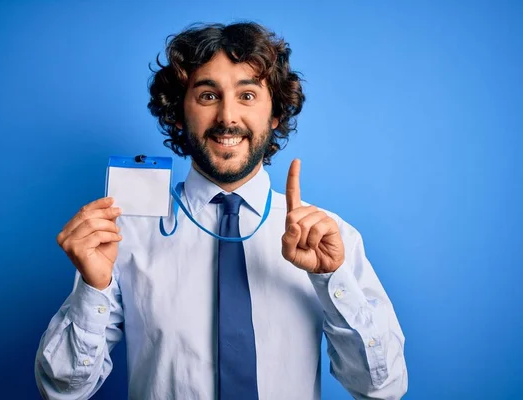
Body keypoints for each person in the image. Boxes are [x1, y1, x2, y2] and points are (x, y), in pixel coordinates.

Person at [35, 22, 407, 400]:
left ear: (275, 114)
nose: (228, 117)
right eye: (208, 96)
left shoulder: (329, 239)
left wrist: (332, 279)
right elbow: (61, 390)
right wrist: (93, 289)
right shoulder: (124, 235)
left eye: (247, 95)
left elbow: (383, 388)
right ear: (179, 113)